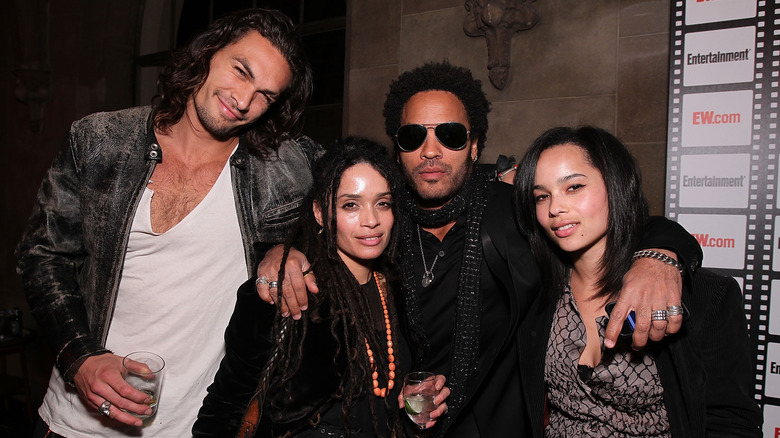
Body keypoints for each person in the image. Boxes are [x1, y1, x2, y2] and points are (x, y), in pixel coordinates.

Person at [256, 62, 702, 437]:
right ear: (398, 151)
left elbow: (613, 219)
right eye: (413, 137)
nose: (431, 150)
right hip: (411, 425)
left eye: (450, 134)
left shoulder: (517, 209)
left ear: (474, 146)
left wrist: (660, 257)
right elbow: (329, 228)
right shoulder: (383, 224)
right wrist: (285, 251)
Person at [15, 8, 320, 437]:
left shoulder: (284, 168)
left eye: (266, 95)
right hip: (76, 422)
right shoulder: (101, 141)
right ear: (208, 53)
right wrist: (80, 357)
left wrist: (286, 248)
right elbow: (42, 256)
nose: (244, 99)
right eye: (241, 71)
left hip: (192, 425)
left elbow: (359, 210)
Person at [514, 126, 762, 437]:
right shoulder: (535, 289)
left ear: (616, 185)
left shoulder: (703, 295)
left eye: (574, 187)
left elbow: (730, 424)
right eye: (542, 196)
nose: (555, 208)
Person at [193, 137, 449, 437]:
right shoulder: (287, 291)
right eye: (350, 205)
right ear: (319, 212)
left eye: (383, 203)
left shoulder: (399, 289)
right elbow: (224, 408)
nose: (371, 220)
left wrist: (415, 399)